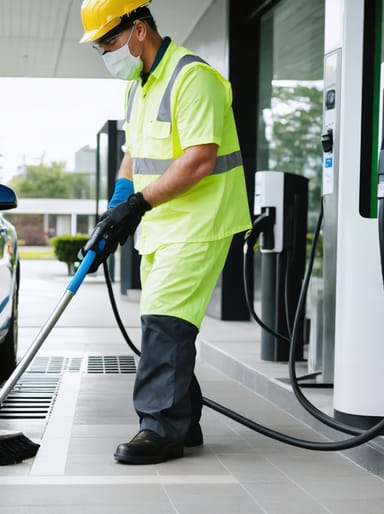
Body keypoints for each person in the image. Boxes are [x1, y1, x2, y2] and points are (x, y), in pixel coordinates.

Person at [79, 0, 251, 464]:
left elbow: (199, 159)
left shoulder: (192, 77)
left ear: (138, 30)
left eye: (109, 41)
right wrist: (116, 212)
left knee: (164, 321)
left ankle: (160, 428)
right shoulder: (138, 87)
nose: (106, 53)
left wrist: (136, 204)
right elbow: (134, 156)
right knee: (164, 322)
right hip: (161, 223)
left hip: (201, 220)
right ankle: (185, 422)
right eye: (99, 48)